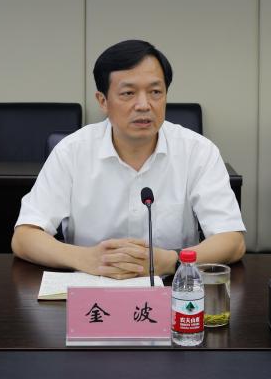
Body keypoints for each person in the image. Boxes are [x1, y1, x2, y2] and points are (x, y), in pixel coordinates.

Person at [12, 39, 246, 279]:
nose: (144, 105)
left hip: (172, 289)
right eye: (128, 93)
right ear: (103, 101)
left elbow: (232, 240)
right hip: (90, 288)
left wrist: (170, 261)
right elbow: (24, 237)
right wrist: (86, 259)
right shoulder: (71, 152)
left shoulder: (198, 151)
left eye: (155, 92)